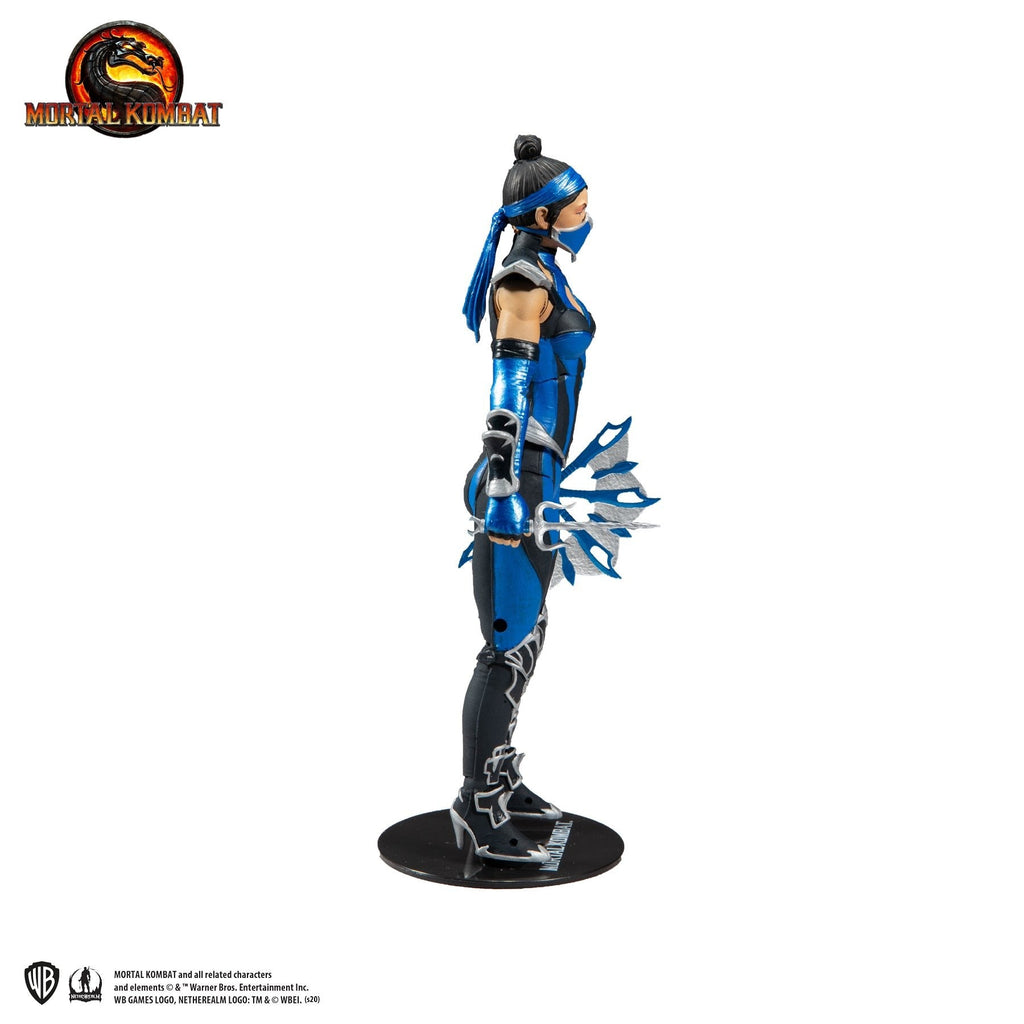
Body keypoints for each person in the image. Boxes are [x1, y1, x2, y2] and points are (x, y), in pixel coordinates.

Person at [452, 136, 596, 864]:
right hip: (517, 481)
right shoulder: (522, 283)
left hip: (543, 476)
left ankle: (501, 778)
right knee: (505, 645)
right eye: (578, 207)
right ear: (543, 216)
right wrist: (505, 493)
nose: (588, 217)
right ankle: (478, 807)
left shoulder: (546, 272)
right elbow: (506, 396)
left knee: (530, 632)